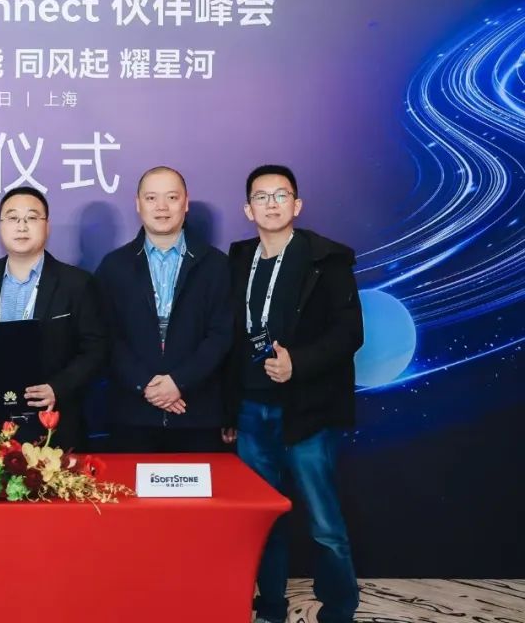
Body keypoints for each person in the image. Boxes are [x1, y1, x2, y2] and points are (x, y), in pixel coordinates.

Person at [222, 164, 362, 623]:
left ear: (296, 205)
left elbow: (350, 333)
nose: (272, 204)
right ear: (248, 209)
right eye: (261, 197)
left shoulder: (327, 260)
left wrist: (296, 364)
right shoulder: (237, 260)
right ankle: (271, 607)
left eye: (281, 195)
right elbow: (229, 339)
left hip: (307, 411)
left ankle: (339, 610)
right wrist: (229, 409)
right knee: (263, 519)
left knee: (324, 524)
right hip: (251, 411)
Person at [95, 166, 232, 452]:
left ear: (186, 202)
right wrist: (145, 384)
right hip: (132, 415)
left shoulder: (216, 264)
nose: (161, 207)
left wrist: (179, 382)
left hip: (197, 414)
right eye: (151, 198)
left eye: (171, 197)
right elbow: (105, 336)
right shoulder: (114, 266)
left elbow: (221, 335)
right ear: (138, 204)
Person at [0, 186, 108, 450]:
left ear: (47, 226)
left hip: (54, 422)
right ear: (0, 226)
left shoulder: (76, 282)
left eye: (31, 217)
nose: (21, 226)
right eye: (12, 218)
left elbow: (96, 350)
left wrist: (58, 388)